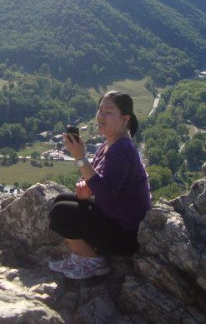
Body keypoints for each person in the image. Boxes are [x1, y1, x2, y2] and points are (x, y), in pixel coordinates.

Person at [48, 91, 151, 280]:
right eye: (100, 110)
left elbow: (107, 192)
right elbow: (97, 181)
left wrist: (80, 157)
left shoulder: (121, 150)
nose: (101, 116)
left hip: (125, 235)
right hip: (115, 219)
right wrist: (86, 187)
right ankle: (81, 257)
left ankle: (93, 261)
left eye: (108, 112)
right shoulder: (108, 145)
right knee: (61, 200)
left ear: (125, 118)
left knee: (61, 212)